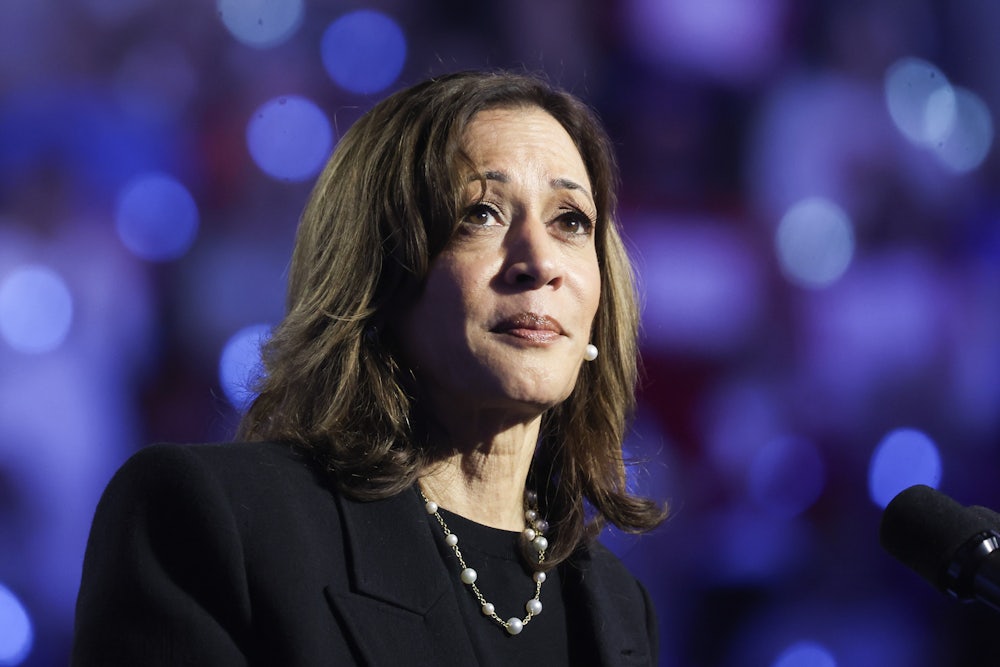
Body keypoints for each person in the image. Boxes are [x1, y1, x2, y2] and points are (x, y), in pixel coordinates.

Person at [72, 70, 668, 666]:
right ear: (380, 271)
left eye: (571, 221)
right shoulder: (214, 522)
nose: (539, 262)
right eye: (481, 213)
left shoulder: (619, 606)